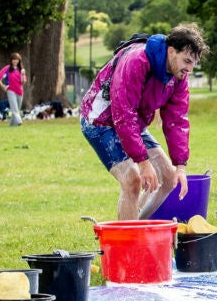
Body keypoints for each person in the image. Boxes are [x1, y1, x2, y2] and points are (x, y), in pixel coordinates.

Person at [80, 24, 209, 220]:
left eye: (193, 64)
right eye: (187, 61)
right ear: (172, 51)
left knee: (168, 177)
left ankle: (137, 226)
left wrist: (181, 167)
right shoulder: (136, 61)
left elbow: (177, 121)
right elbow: (123, 113)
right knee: (132, 180)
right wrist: (143, 163)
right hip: (100, 120)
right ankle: (127, 247)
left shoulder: (178, 77)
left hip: (132, 122)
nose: (189, 69)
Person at [0, 53, 27, 126]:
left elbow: (23, 82)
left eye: (17, 59)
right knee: (14, 108)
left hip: (20, 91)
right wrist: (2, 86)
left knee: (17, 109)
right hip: (10, 90)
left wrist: (23, 74)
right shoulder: (7, 68)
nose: (15, 61)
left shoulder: (21, 70)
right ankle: (19, 121)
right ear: (11, 60)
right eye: (14, 59)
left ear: (19, 60)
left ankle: (12, 124)